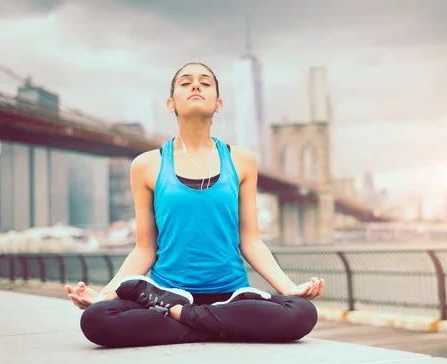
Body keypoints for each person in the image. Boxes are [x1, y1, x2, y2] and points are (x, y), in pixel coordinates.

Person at [65, 62, 324, 347]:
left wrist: (289, 289)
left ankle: (182, 315)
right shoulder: (147, 164)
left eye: (205, 82)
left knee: (301, 313)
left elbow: (251, 242)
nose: (196, 86)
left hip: (230, 296)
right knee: (96, 319)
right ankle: (218, 326)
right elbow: (145, 248)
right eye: (185, 83)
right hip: (164, 292)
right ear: (170, 103)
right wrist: (104, 296)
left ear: (218, 103)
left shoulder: (241, 160)